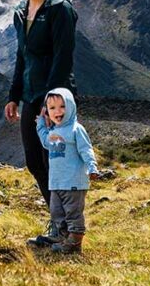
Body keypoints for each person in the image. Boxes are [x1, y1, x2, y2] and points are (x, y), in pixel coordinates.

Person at [2, 0, 78, 247]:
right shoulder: (21, 13)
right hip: (31, 94)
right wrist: (13, 96)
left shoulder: (60, 9)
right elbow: (22, 57)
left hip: (56, 98)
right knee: (35, 161)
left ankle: (68, 231)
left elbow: (64, 57)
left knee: (56, 164)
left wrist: (53, 104)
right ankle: (59, 224)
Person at [32, 88, 100, 253]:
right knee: (56, 212)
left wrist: (92, 166)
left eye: (62, 106)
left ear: (71, 106)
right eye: (52, 108)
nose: (58, 111)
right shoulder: (53, 131)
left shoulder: (76, 129)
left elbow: (86, 149)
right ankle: (62, 237)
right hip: (56, 183)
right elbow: (45, 141)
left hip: (73, 183)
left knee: (73, 213)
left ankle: (75, 242)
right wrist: (41, 122)